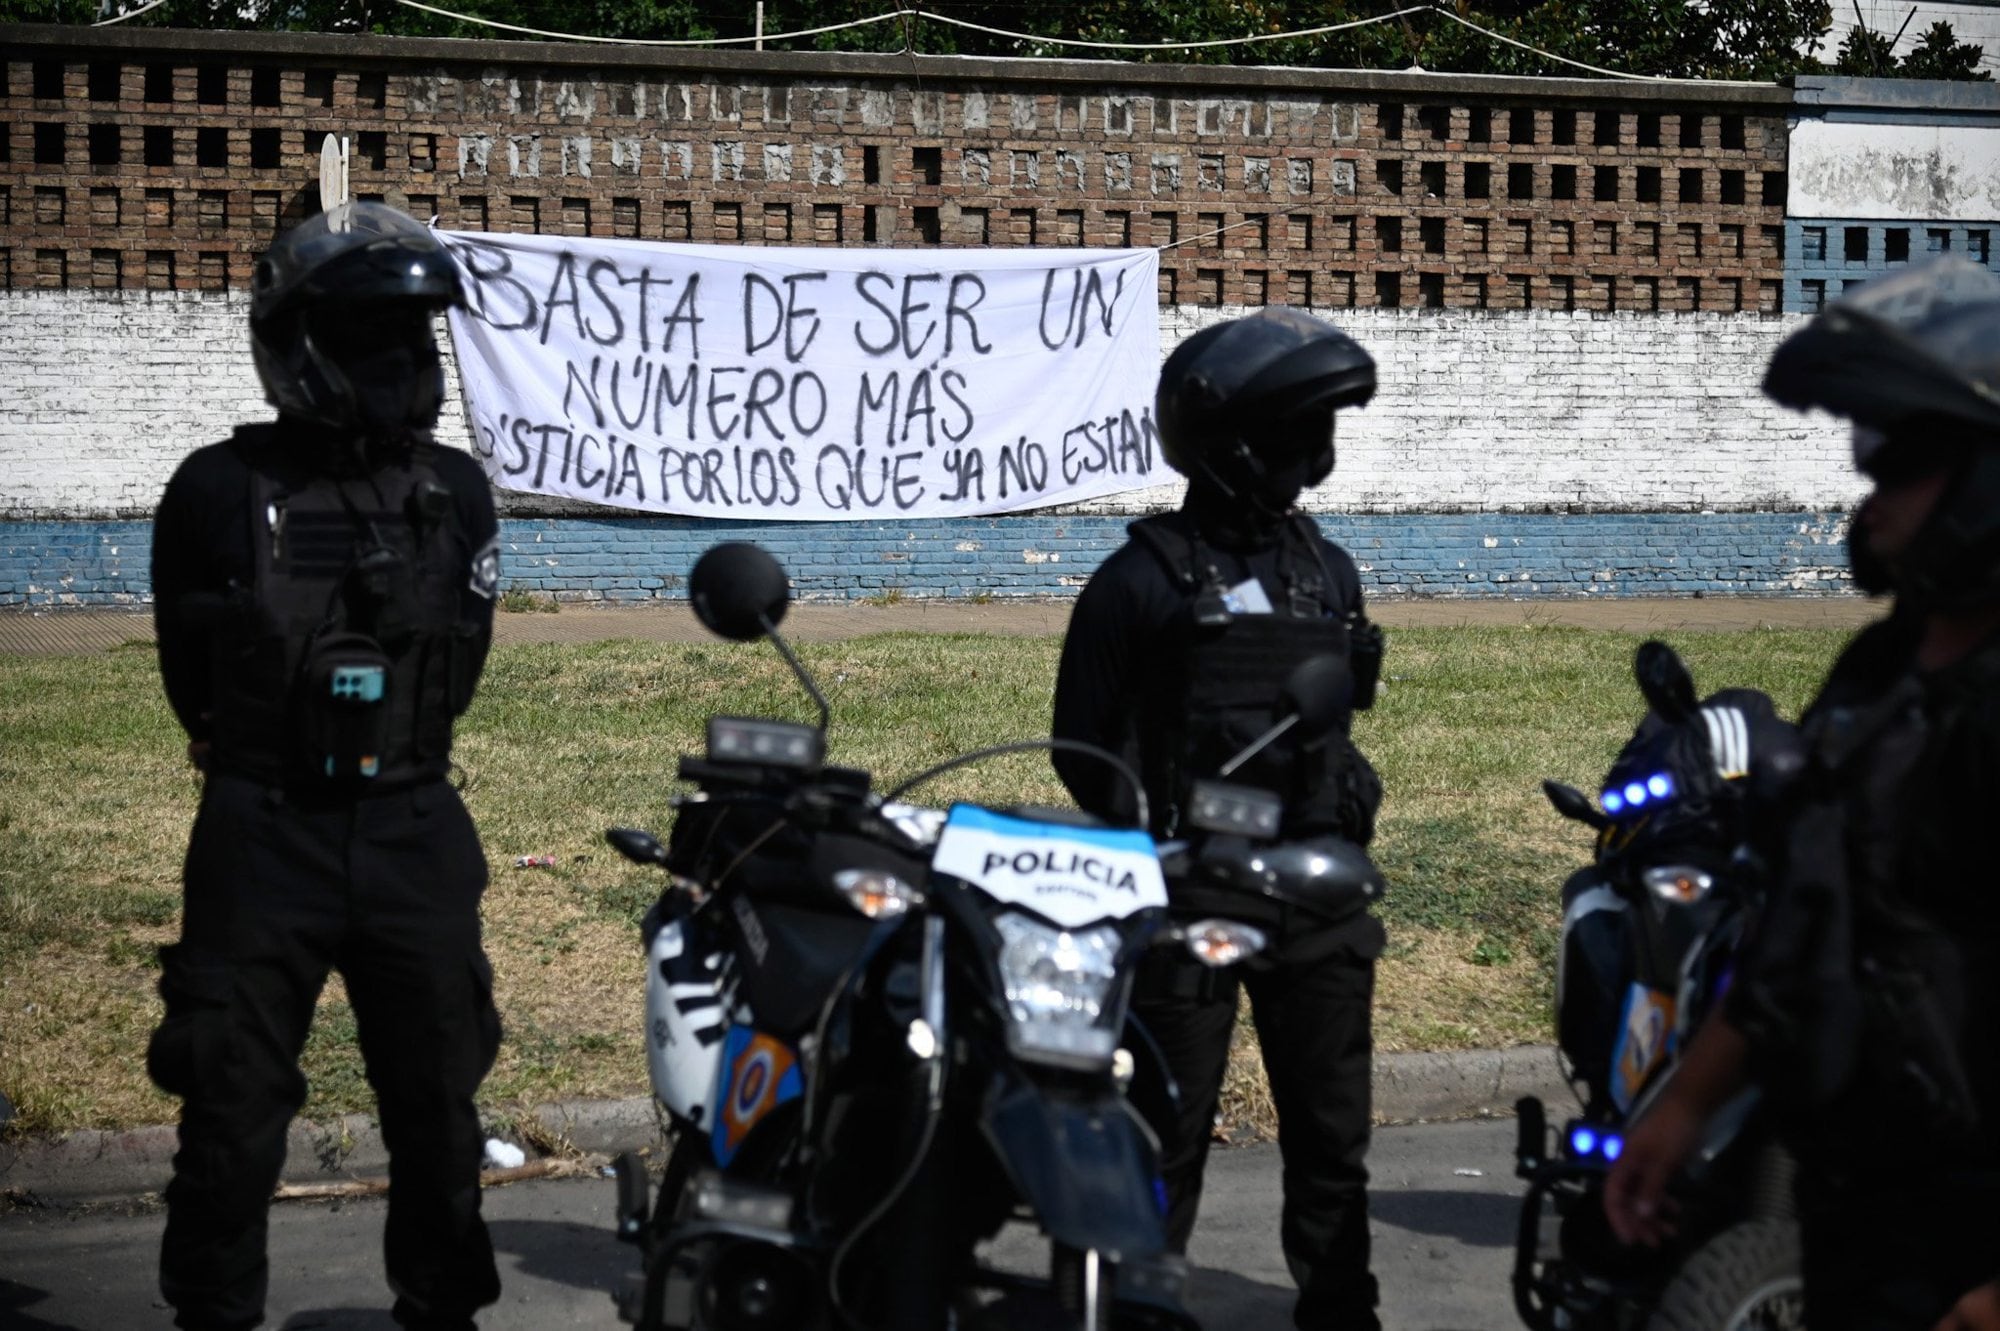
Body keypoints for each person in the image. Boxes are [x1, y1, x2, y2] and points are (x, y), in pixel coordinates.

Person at [1603, 256, 2000, 1331]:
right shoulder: (1876, 676)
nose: (1865, 499)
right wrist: (1681, 1102)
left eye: (1895, 462)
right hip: (1853, 1207)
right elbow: (1800, 915)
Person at [148, 201, 504, 1331]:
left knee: (439, 1103)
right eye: (368, 339)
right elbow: (186, 677)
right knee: (231, 1106)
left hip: (413, 823)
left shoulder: (457, 490)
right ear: (300, 343)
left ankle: (439, 1305)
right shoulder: (214, 488)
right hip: (265, 830)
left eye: (411, 339)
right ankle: (213, 1311)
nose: (398, 364)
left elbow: (463, 663)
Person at [1051, 307, 1387, 1330]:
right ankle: (1142, 1311)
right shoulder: (1139, 580)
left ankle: (1339, 1309)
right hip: (1187, 896)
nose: (1308, 459)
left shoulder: (1322, 570)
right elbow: (1080, 745)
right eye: (1291, 437)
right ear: (1224, 442)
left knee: (1332, 1138)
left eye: (1314, 437)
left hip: (1313, 893)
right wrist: (1162, 838)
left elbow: (1334, 720)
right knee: (1162, 1131)